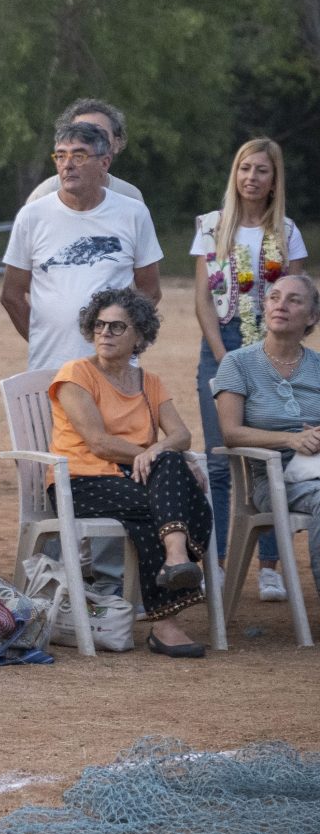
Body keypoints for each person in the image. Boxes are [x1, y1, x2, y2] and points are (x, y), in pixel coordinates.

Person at [48, 287, 213, 657]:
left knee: (170, 463)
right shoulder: (75, 374)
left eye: (117, 327)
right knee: (169, 495)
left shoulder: (149, 382)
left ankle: (174, 561)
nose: (105, 332)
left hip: (136, 480)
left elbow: (182, 435)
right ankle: (167, 617)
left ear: (139, 335)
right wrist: (151, 452)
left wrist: (159, 452)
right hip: (79, 482)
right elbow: (98, 442)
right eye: (99, 325)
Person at [192, 138, 307, 602]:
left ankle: (270, 566)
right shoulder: (211, 227)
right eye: (244, 168)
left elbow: (298, 299)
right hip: (222, 343)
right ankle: (218, 562)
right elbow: (203, 300)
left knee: (273, 455)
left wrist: (268, 356)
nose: (251, 178)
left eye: (261, 170)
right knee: (220, 456)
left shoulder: (287, 232)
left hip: (272, 345)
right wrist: (225, 356)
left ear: (274, 179)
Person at [3, 120, 162, 372]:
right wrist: (43, 341)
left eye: (79, 156)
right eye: (61, 156)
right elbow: (11, 295)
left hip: (114, 368)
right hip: (49, 367)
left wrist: (122, 342)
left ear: (104, 163)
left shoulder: (133, 214)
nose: (67, 165)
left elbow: (150, 290)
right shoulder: (32, 216)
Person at [212, 273, 320, 604]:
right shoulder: (238, 363)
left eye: (294, 300)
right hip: (273, 481)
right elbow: (231, 433)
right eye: (274, 297)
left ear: (312, 317)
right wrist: (290, 440)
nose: (281, 305)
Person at [25, 98, 141, 204]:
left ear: (117, 143)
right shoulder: (43, 196)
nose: (88, 141)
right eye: (78, 133)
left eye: (99, 133)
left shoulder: (131, 197)